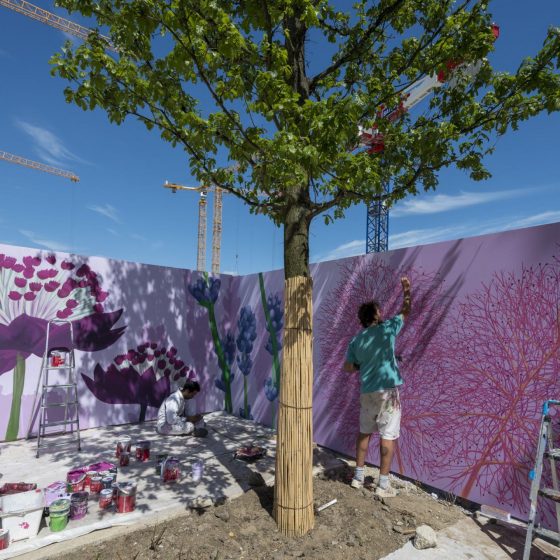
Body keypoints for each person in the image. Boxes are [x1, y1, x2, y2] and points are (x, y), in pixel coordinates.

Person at [343, 276, 411, 498]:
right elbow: (406, 311)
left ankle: (358, 477)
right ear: (376, 315)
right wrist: (406, 290)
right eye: (379, 311)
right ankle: (382, 484)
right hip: (388, 392)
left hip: (367, 392)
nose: (382, 313)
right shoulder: (387, 329)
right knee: (387, 435)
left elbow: (348, 367)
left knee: (364, 432)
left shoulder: (356, 341)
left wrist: (363, 363)